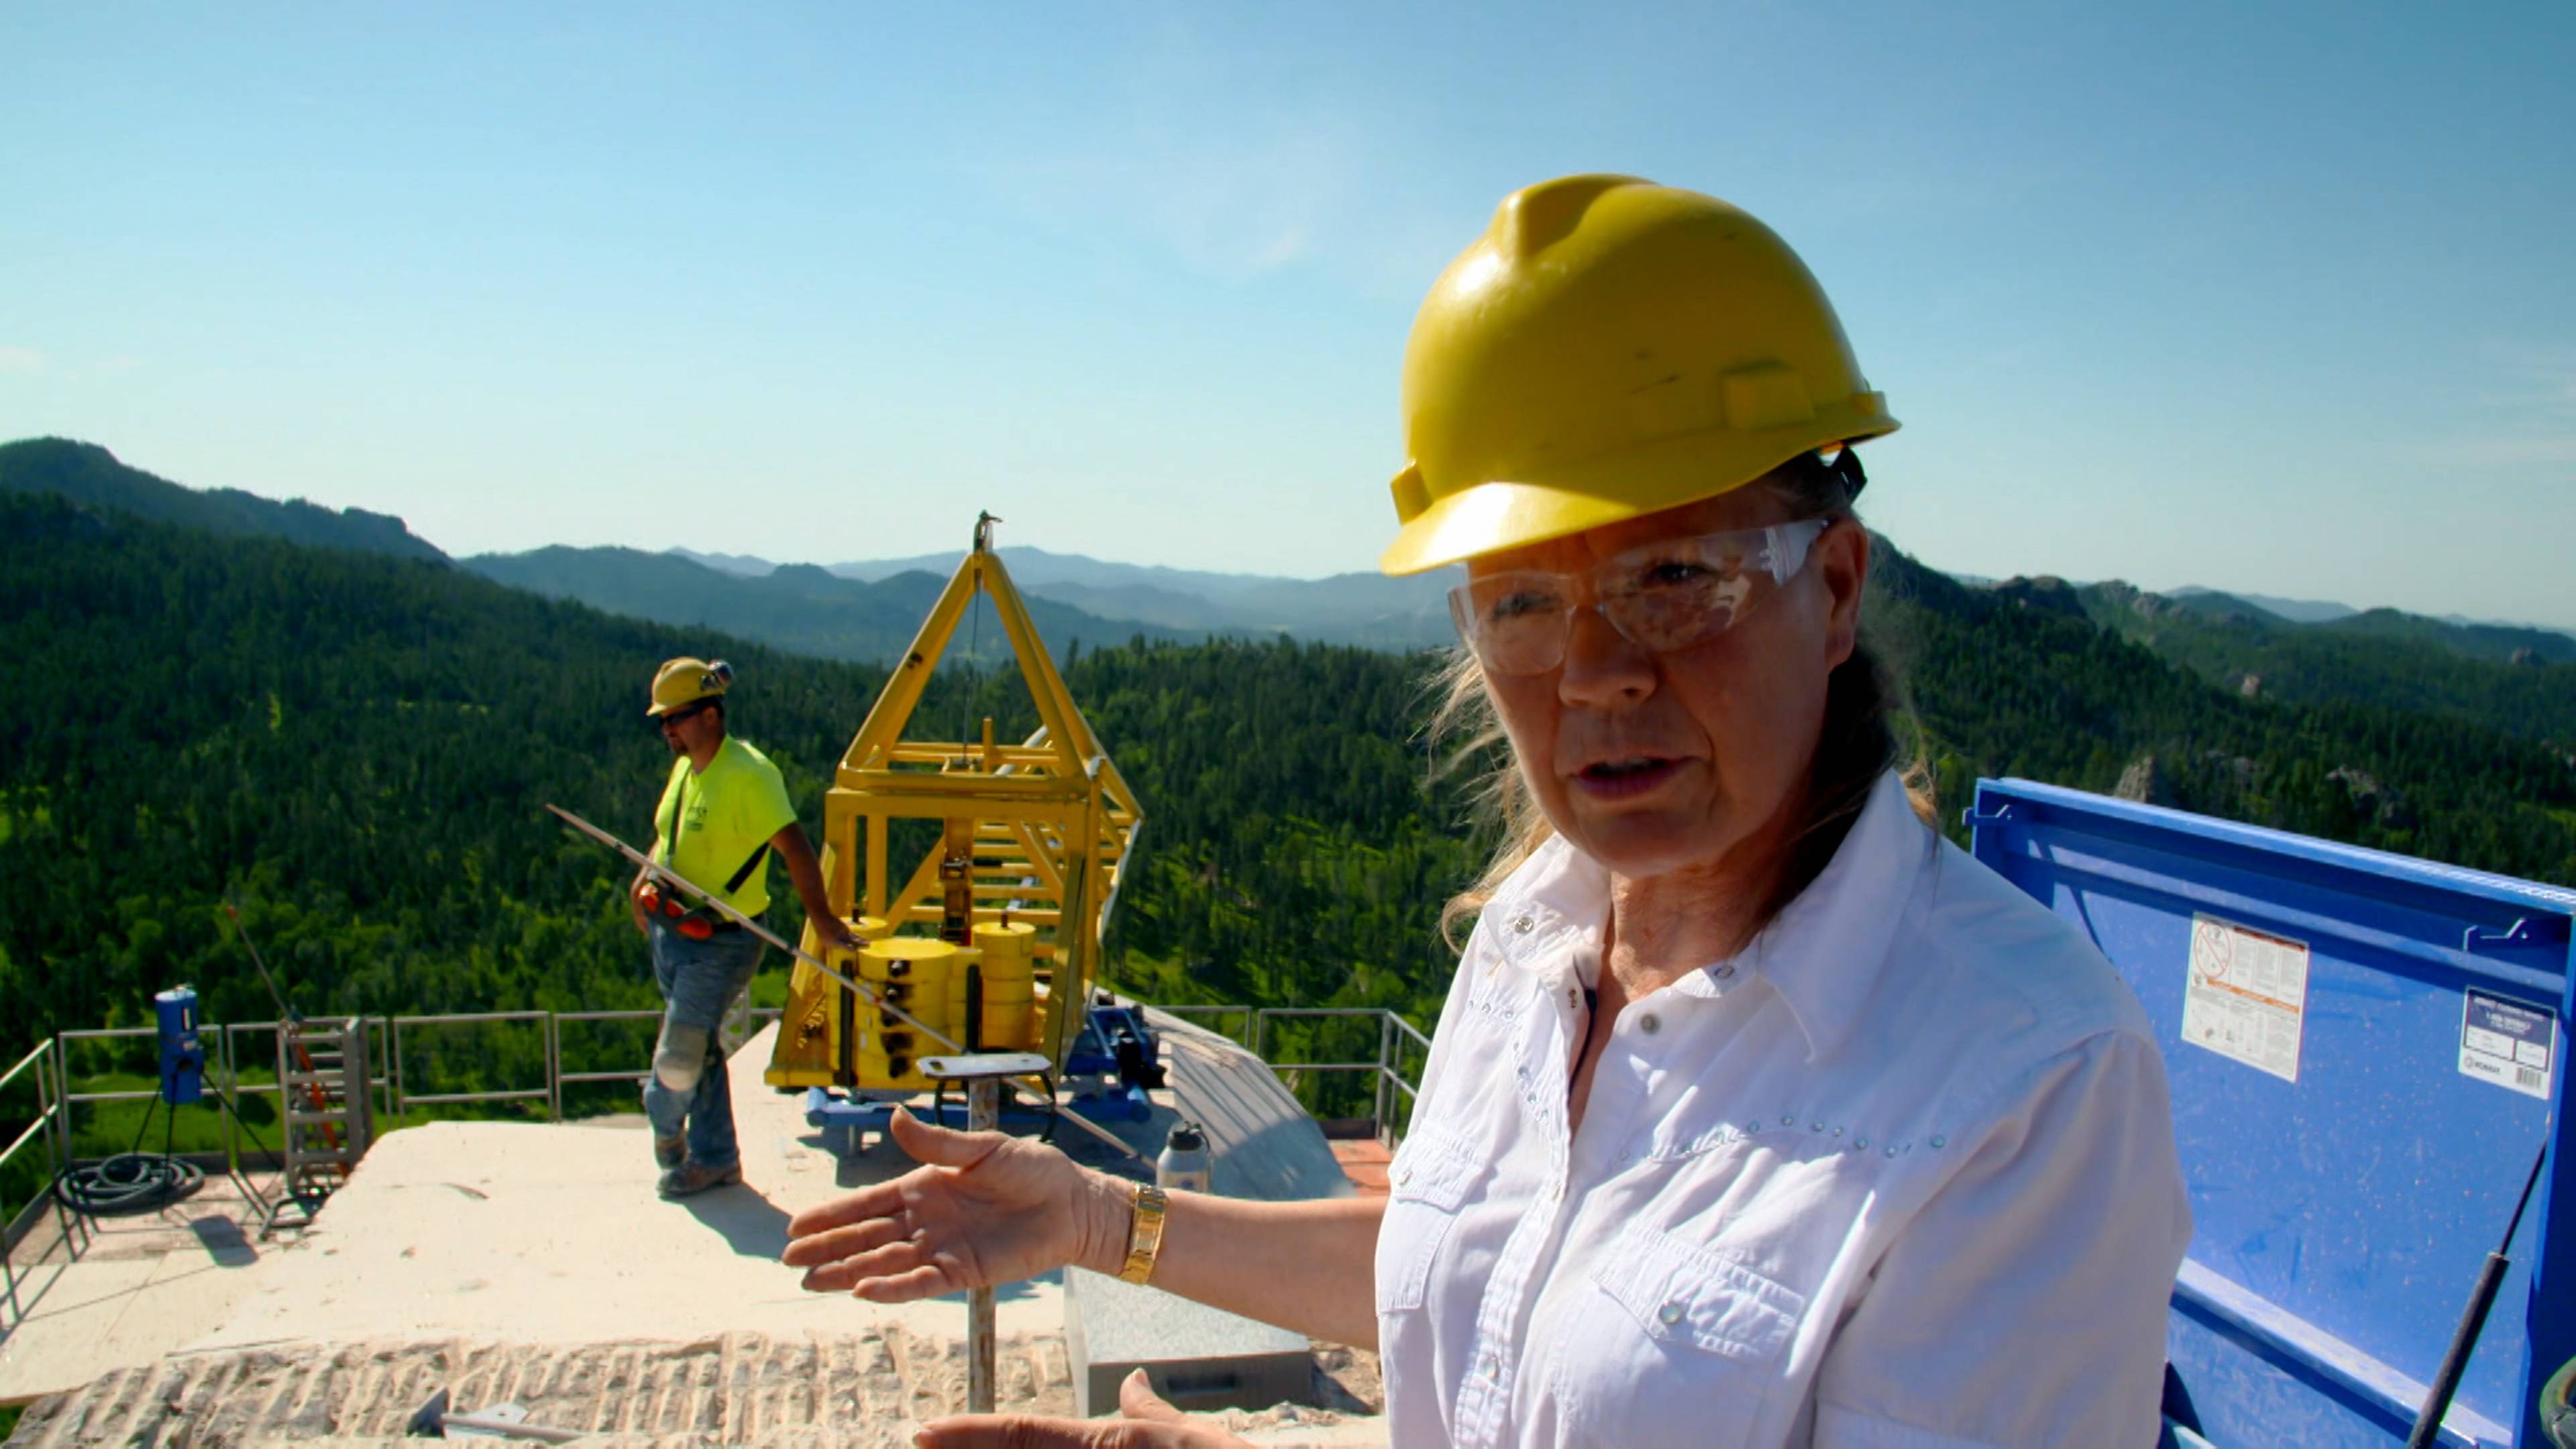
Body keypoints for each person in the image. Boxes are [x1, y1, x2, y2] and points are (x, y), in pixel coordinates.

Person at [782, 176, 2192, 1446]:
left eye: (1677, 576)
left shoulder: (2023, 1088)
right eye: (1523, 602)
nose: (1593, 672)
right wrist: (1100, 1219)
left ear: (1831, 591)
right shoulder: (1533, 938)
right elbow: (1482, 1280)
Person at [634, 656, 861, 1198]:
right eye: (663, 721)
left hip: (721, 940)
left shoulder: (751, 775)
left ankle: (666, 1128)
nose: (667, 730)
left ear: (710, 716)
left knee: (679, 1058)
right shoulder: (687, 767)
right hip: (674, 928)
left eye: (676, 718)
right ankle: (717, 1160)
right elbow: (669, 837)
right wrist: (642, 883)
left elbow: (795, 847)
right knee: (704, 1048)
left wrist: (823, 921)